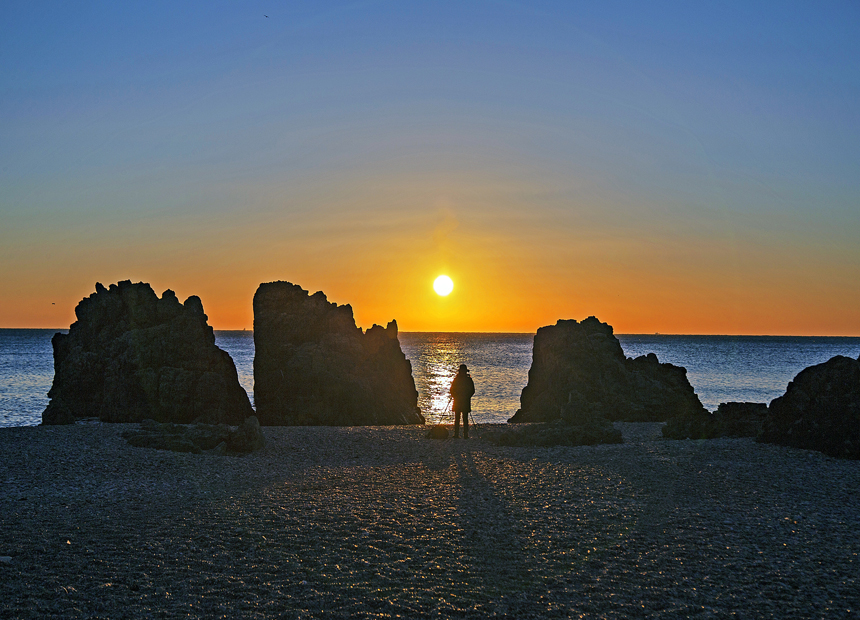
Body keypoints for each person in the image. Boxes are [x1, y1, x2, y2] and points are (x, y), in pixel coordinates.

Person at [450, 364, 475, 439]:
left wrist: (466, 396)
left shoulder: (466, 379)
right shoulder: (463, 379)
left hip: (463, 401)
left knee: (464, 418)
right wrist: (455, 396)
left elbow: (472, 391)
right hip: (460, 401)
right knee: (459, 418)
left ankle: (464, 434)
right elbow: (452, 390)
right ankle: (458, 434)